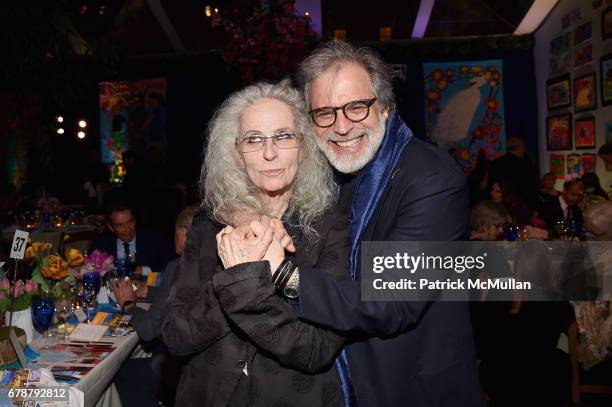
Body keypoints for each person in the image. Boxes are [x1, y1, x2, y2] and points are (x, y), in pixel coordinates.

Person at [223, 41, 484, 406]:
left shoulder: (432, 179)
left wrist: (283, 274)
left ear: (386, 107)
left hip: (411, 387)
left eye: (356, 107)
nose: (342, 126)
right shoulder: (333, 170)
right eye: (325, 113)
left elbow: (390, 302)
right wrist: (250, 220)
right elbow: (258, 185)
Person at [161, 81, 350, 406]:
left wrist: (244, 282)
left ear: (303, 146)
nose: (269, 152)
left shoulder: (330, 226)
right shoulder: (209, 224)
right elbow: (176, 336)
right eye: (254, 139)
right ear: (236, 152)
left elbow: (315, 349)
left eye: (283, 136)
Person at [112, 204, 200, 407]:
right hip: (211, 366)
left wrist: (127, 304)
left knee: (123, 373)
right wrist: (147, 291)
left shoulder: (177, 266)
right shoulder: (215, 262)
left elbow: (149, 331)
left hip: (183, 369)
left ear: (185, 234)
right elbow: (182, 293)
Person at [89, 201, 173, 274]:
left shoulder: (155, 240)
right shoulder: (101, 244)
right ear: (111, 227)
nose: (128, 229)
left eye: (130, 222)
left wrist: (144, 270)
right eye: (120, 225)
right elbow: (90, 270)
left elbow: (169, 272)